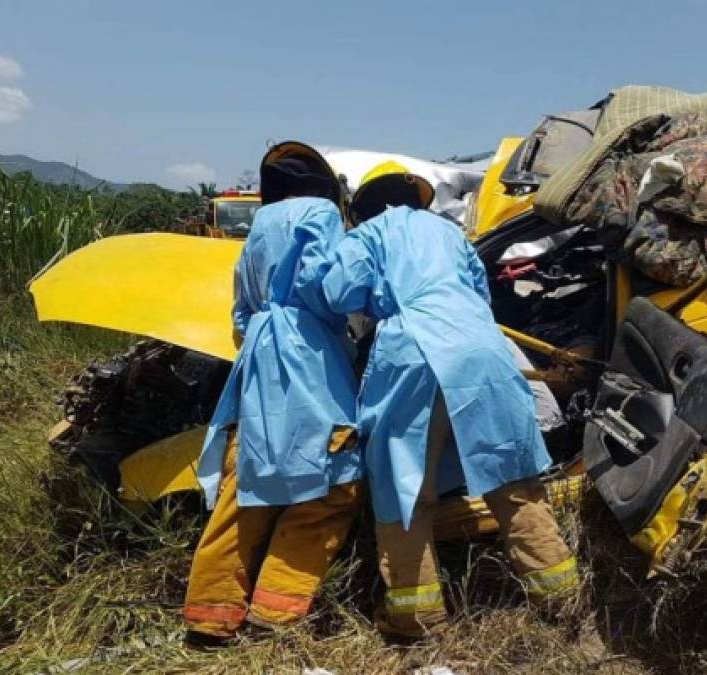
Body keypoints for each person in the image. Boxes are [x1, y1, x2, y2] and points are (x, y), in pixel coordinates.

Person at [322, 163, 580, 638]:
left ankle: (417, 617)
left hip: (411, 351)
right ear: (417, 197)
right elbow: (479, 292)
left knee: (404, 487)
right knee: (512, 477)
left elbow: (339, 294)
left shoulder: (367, 235)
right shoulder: (449, 233)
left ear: (361, 207)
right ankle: (561, 596)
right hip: (482, 348)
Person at [183, 141, 363, 642]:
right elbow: (329, 287)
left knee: (247, 483)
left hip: (259, 358)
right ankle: (274, 614)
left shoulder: (259, 225)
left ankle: (209, 614)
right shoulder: (321, 214)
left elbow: (240, 310)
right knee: (332, 482)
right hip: (310, 357)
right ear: (324, 186)